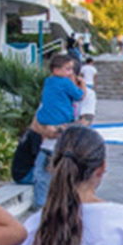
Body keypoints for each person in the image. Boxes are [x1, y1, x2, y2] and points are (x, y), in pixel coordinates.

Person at [32, 54, 86, 210]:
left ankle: (41, 203)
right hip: (60, 127)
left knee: (42, 172)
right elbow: (79, 96)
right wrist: (81, 86)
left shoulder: (48, 82)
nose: (70, 73)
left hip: (48, 124)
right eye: (68, 69)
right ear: (56, 70)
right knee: (50, 170)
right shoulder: (65, 83)